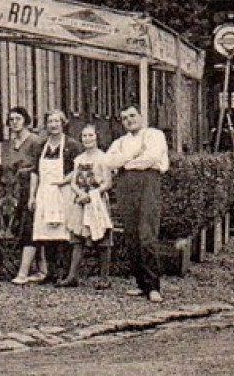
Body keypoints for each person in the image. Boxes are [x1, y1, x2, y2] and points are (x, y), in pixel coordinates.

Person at [106, 105, 171, 302]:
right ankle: (140, 283)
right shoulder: (120, 141)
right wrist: (133, 156)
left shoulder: (154, 135)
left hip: (148, 182)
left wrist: (125, 162)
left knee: (147, 235)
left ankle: (153, 286)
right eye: (124, 117)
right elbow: (109, 161)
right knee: (131, 234)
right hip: (126, 185)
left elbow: (151, 158)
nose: (129, 120)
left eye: (133, 116)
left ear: (141, 117)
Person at [21, 110, 79, 285]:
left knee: (64, 233)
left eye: (57, 121)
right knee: (47, 233)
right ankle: (51, 272)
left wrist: (63, 181)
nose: (53, 125)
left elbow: (78, 168)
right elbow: (35, 172)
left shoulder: (71, 145)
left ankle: (67, 274)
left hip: (64, 191)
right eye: (50, 122)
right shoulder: (40, 145)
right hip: (45, 191)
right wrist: (32, 196)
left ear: (63, 124)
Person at [58, 123, 114, 289]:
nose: (87, 139)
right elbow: (74, 181)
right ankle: (72, 276)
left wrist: (92, 195)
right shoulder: (79, 159)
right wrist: (79, 193)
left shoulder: (103, 158)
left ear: (97, 137)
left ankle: (104, 278)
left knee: (102, 238)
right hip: (81, 201)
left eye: (90, 135)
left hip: (97, 201)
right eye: (84, 136)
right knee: (77, 238)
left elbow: (108, 183)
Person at [0, 106, 42, 280]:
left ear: (26, 121)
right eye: (11, 119)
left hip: (29, 187)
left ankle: (24, 271)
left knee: (29, 226)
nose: (14, 123)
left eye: (18, 119)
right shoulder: (7, 145)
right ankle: (32, 268)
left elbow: (39, 168)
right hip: (11, 191)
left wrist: (34, 193)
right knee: (15, 226)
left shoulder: (35, 141)